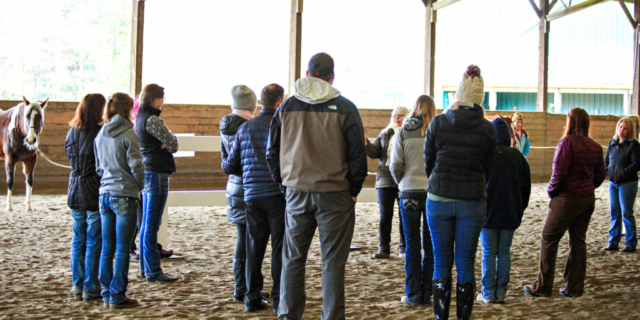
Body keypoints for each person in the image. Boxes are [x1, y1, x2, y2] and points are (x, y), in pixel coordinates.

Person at [267, 52, 368, 320]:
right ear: (332, 76)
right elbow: (358, 155)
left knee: (293, 258)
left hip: (297, 192)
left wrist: (284, 185)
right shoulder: (345, 108)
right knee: (333, 262)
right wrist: (353, 191)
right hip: (335, 194)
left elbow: (271, 152)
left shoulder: (286, 108)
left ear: (308, 74)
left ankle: (288, 314)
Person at [424, 65, 496, 320]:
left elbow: (428, 161)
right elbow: (488, 167)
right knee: (465, 261)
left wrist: (438, 181)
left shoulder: (439, 122)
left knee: (441, 261)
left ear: (458, 93)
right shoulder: (488, 129)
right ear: (480, 96)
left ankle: (440, 317)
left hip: (439, 199)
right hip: (472, 201)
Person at [524, 108, 606, 299]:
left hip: (567, 198)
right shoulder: (595, 146)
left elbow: (558, 174)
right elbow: (601, 175)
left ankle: (543, 287)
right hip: (587, 199)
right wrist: (588, 187)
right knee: (578, 242)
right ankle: (574, 288)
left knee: (548, 238)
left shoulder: (566, 143)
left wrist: (552, 191)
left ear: (571, 122)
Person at [222, 83, 286, 313]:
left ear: (261, 102)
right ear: (279, 102)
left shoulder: (246, 128)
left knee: (254, 247)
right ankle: (279, 299)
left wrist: (224, 160)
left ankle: (251, 298)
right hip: (277, 195)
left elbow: (230, 165)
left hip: (252, 196)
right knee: (279, 248)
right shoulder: (282, 126)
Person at [94, 92, 144, 309]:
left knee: (107, 248)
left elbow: (98, 167)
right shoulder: (129, 135)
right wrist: (139, 185)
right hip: (124, 194)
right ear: (127, 110)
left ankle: (106, 291)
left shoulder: (100, 134)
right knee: (123, 249)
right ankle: (118, 295)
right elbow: (137, 167)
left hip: (104, 193)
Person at [476, 118, 531, 305]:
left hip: (488, 213)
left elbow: (477, 185)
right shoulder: (518, 158)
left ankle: (487, 293)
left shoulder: (485, 156)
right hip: (510, 213)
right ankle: (501, 292)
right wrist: (519, 209)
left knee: (489, 252)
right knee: (504, 252)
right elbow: (526, 188)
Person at [390, 95, 436, 306]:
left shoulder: (403, 132)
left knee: (411, 245)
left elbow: (395, 164)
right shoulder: (436, 131)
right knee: (430, 245)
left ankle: (413, 294)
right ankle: (427, 293)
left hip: (408, 192)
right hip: (431, 193)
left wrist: (402, 182)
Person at [135, 84, 180, 282]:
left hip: (147, 171)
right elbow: (173, 144)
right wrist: (165, 143)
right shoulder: (153, 120)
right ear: (155, 100)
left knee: (146, 223)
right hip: (157, 173)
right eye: (162, 98)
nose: (163, 101)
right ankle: (153, 270)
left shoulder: (139, 118)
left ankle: (146, 268)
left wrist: (166, 143)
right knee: (152, 224)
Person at [66, 93, 106, 302]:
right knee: (93, 241)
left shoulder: (72, 132)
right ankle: (90, 286)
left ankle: (77, 284)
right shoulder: (100, 134)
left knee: (78, 240)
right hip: (92, 190)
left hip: (74, 189)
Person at [220, 84, 256, 301]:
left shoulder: (224, 125)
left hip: (232, 186)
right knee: (249, 241)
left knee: (242, 239)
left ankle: (240, 286)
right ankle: (244, 287)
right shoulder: (249, 127)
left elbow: (225, 160)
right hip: (249, 186)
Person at [365, 106, 409, 259]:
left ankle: (404, 247)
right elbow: (374, 152)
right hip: (385, 179)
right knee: (385, 215)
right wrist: (365, 144)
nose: (397, 118)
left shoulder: (408, 134)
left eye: (400, 115)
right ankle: (384, 247)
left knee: (404, 214)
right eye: (394, 115)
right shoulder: (385, 133)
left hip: (404, 179)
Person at [604, 117, 639, 253]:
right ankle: (613, 242)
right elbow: (606, 160)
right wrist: (609, 172)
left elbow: (636, 163)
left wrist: (622, 174)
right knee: (615, 213)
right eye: (620, 127)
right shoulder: (612, 144)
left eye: (625, 128)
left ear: (629, 130)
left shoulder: (634, 145)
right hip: (613, 183)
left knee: (627, 212)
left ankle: (631, 243)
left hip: (627, 183)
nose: (622, 130)